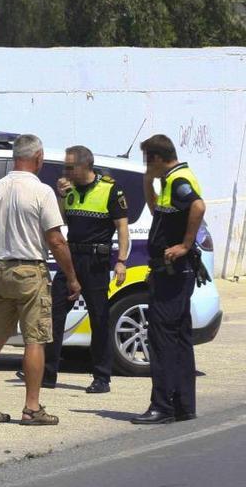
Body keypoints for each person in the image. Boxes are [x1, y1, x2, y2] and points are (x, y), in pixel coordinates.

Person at [0, 134, 81, 426]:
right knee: (35, 340)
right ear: (38, 157)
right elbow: (55, 240)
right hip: (30, 272)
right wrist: (72, 277)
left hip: (1, 271)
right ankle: (31, 407)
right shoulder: (41, 192)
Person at [20, 145, 129, 393]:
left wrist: (121, 260)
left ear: (85, 165)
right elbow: (61, 221)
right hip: (71, 258)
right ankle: (47, 373)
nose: (65, 171)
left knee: (99, 319)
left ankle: (102, 377)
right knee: (54, 314)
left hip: (96, 261)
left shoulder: (110, 189)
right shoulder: (68, 190)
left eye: (70, 167)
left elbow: (122, 227)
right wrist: (59, 196)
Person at [131, 134, 206, 425]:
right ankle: (183, 405)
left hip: (173, 272)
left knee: (162, 339)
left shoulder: (179, 180)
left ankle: (162, 406)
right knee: (180, 338)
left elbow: (198, 206)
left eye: (147, 159)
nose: (146, 164)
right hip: (172, 272)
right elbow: (158, 214)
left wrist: (186, 244)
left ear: (158, 158)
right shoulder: (168, 181)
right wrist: (147, 182)